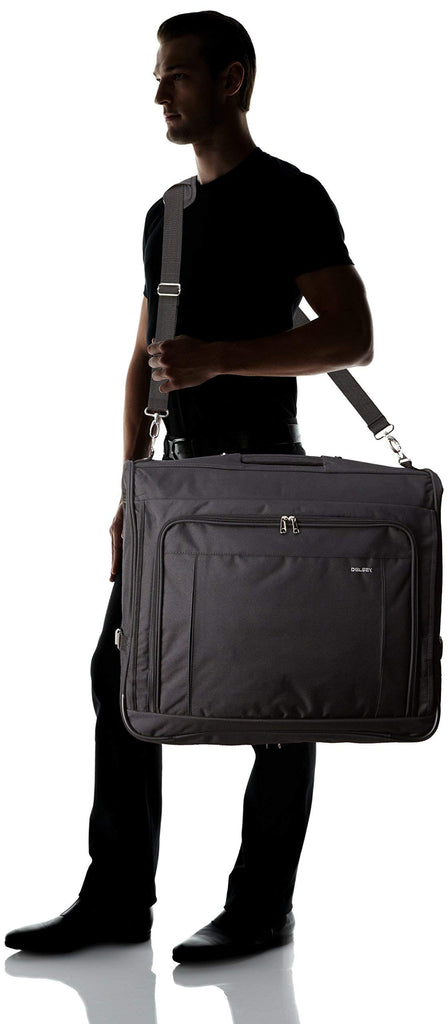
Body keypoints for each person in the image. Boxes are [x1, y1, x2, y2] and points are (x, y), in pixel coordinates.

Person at [5, 11, 373, 961]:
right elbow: (142, 359)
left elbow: (352, 336)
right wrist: (131, 488)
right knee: (120, 674)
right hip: (174, 485)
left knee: (278, 697)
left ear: (232, 80)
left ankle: (262, 908)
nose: (159, 93)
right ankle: (117, 900)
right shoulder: (165, 214)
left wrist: (222, 357)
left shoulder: (291, 195)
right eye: (157, 76)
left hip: (264, 475)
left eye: (175, 75)